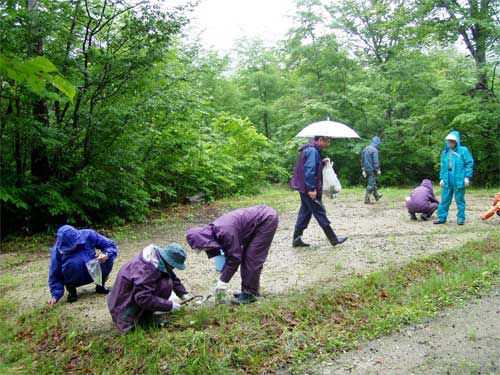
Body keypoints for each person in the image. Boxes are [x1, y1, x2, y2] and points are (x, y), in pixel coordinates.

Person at [186, 205, 278, 304]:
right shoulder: (215, 232)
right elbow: (229, 256)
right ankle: (249, 290)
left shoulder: (225, 232)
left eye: (203, 248)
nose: (205, 250)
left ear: (203, 240)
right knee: (247, 256)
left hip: (266, 219)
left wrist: (223, 282)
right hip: (258, 220)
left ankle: (249, 294)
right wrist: (222, 278)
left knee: (252, 258)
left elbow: (234, 258)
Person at [107, 243, 190, 333]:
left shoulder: (159, 260)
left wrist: (182, 293)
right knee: (164, 285)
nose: (173, 267)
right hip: (123, 305)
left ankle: (145, 314)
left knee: (166, 281)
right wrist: (169, 305)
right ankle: (133, 319)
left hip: (132, 296)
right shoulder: (147, 270)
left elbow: (171, 276)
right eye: (173, 265)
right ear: (168, 260)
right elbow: (143, 298)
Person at [290, 136, 348, 248]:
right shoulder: (312, 151)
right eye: (328, 141)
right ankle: (334, 239)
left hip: (303, 187)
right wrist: (311, 189)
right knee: (319, 211)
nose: (329, 143)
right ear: (320, 140)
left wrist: (321, 163)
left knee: (305, 212)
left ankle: (296, 239)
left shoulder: (311, 149)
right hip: (308, 188)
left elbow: (310, 166)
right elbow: (309, 170)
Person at [48, 225, 118, 305]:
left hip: (93, 270)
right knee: (73, 263)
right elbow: (54, 273)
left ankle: (100, 285)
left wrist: (106, 254)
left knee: (108, 259)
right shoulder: (57, 251)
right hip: (73, 276)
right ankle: (72, 290)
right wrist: (55, 295)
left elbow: (110, 245)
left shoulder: (89, 234)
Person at [434, 131, 474, 225]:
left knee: (459, 200)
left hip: (459, 178)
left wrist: (467, 177)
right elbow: (443, 166)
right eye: (448, 141)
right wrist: (442, 178)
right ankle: (441, 218)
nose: (450, 143)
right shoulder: (445, 152)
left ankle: (460, 219)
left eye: (452, 141)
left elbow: (469, 163)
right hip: (447, 178)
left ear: (456, 141)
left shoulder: (463, 150)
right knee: (444, 199)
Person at [361, 136, 383, 204]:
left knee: (372, 182)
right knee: (371, 184)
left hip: (366, 169)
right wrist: (378, 169)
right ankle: (366, 200)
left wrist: (363, 168)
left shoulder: (365, 149)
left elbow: (362, 159)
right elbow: (375, 161)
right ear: (377, 143)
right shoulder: (374, 150)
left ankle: (377, 196)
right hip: (372, 169)